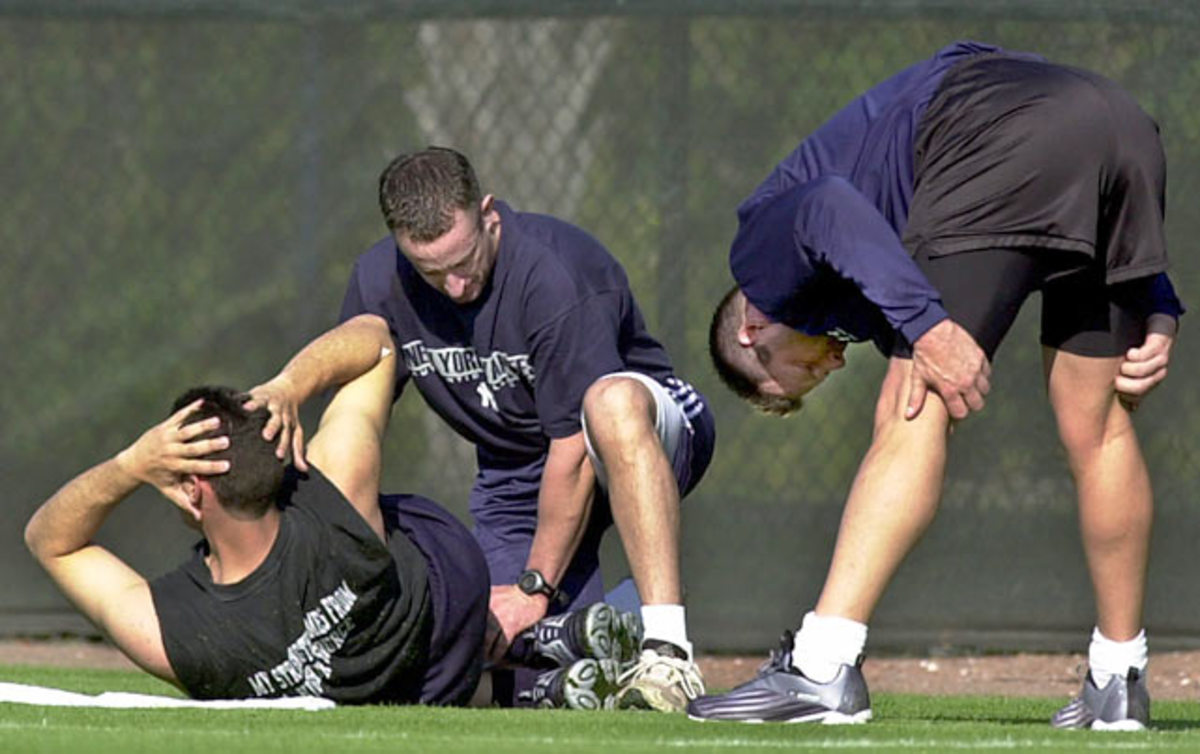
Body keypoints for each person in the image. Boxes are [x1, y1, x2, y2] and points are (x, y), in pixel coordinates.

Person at [697, 41, 1182, 729]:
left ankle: (822, 667)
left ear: (752, 332)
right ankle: (1118, 681)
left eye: (796, 375)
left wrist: (927, 326)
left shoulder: (758, 257)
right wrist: (1158, 309)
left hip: (998, 136)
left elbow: (831, 206)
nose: (827, 368)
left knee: (909, 408)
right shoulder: (851, 290)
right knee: (1099, 422)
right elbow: (1073, 132)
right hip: (1122, 128)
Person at [251, 146, 716, 712]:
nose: (453, 286)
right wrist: (286, 389)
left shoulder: (552, 273)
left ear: (489, 215)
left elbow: (572, 449)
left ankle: (666, 649)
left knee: (611, 405)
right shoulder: (380, 279)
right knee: (485, 647)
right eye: (430, 271)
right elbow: (359, 375)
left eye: (463, 260)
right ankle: (617, 626)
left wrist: (534, 587)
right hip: (517, 470)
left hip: (641, 433)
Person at [24, 318, 642, 709]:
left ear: (192, 491)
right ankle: (537, 649)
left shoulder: (180, 632)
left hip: (403, 686)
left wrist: (130, 464)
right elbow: (377, 341)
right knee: (403, 559)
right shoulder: (332, 486)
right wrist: (290, 386)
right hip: (442, 610)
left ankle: (528, 676)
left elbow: (51, 541)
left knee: (385, 691)